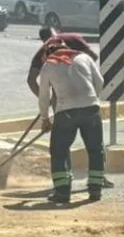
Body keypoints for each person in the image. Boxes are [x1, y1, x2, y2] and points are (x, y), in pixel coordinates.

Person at [37, 37, 108, 204]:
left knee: (59, 150)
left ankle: (62, 192)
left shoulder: (48, 65)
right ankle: (95, 190)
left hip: (65, 112)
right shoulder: (84, 57)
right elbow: (100, 82)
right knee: (96, 149)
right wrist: (90, 99)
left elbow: (44, 96)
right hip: (91, 108)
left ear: (49, 53)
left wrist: (45, 118)